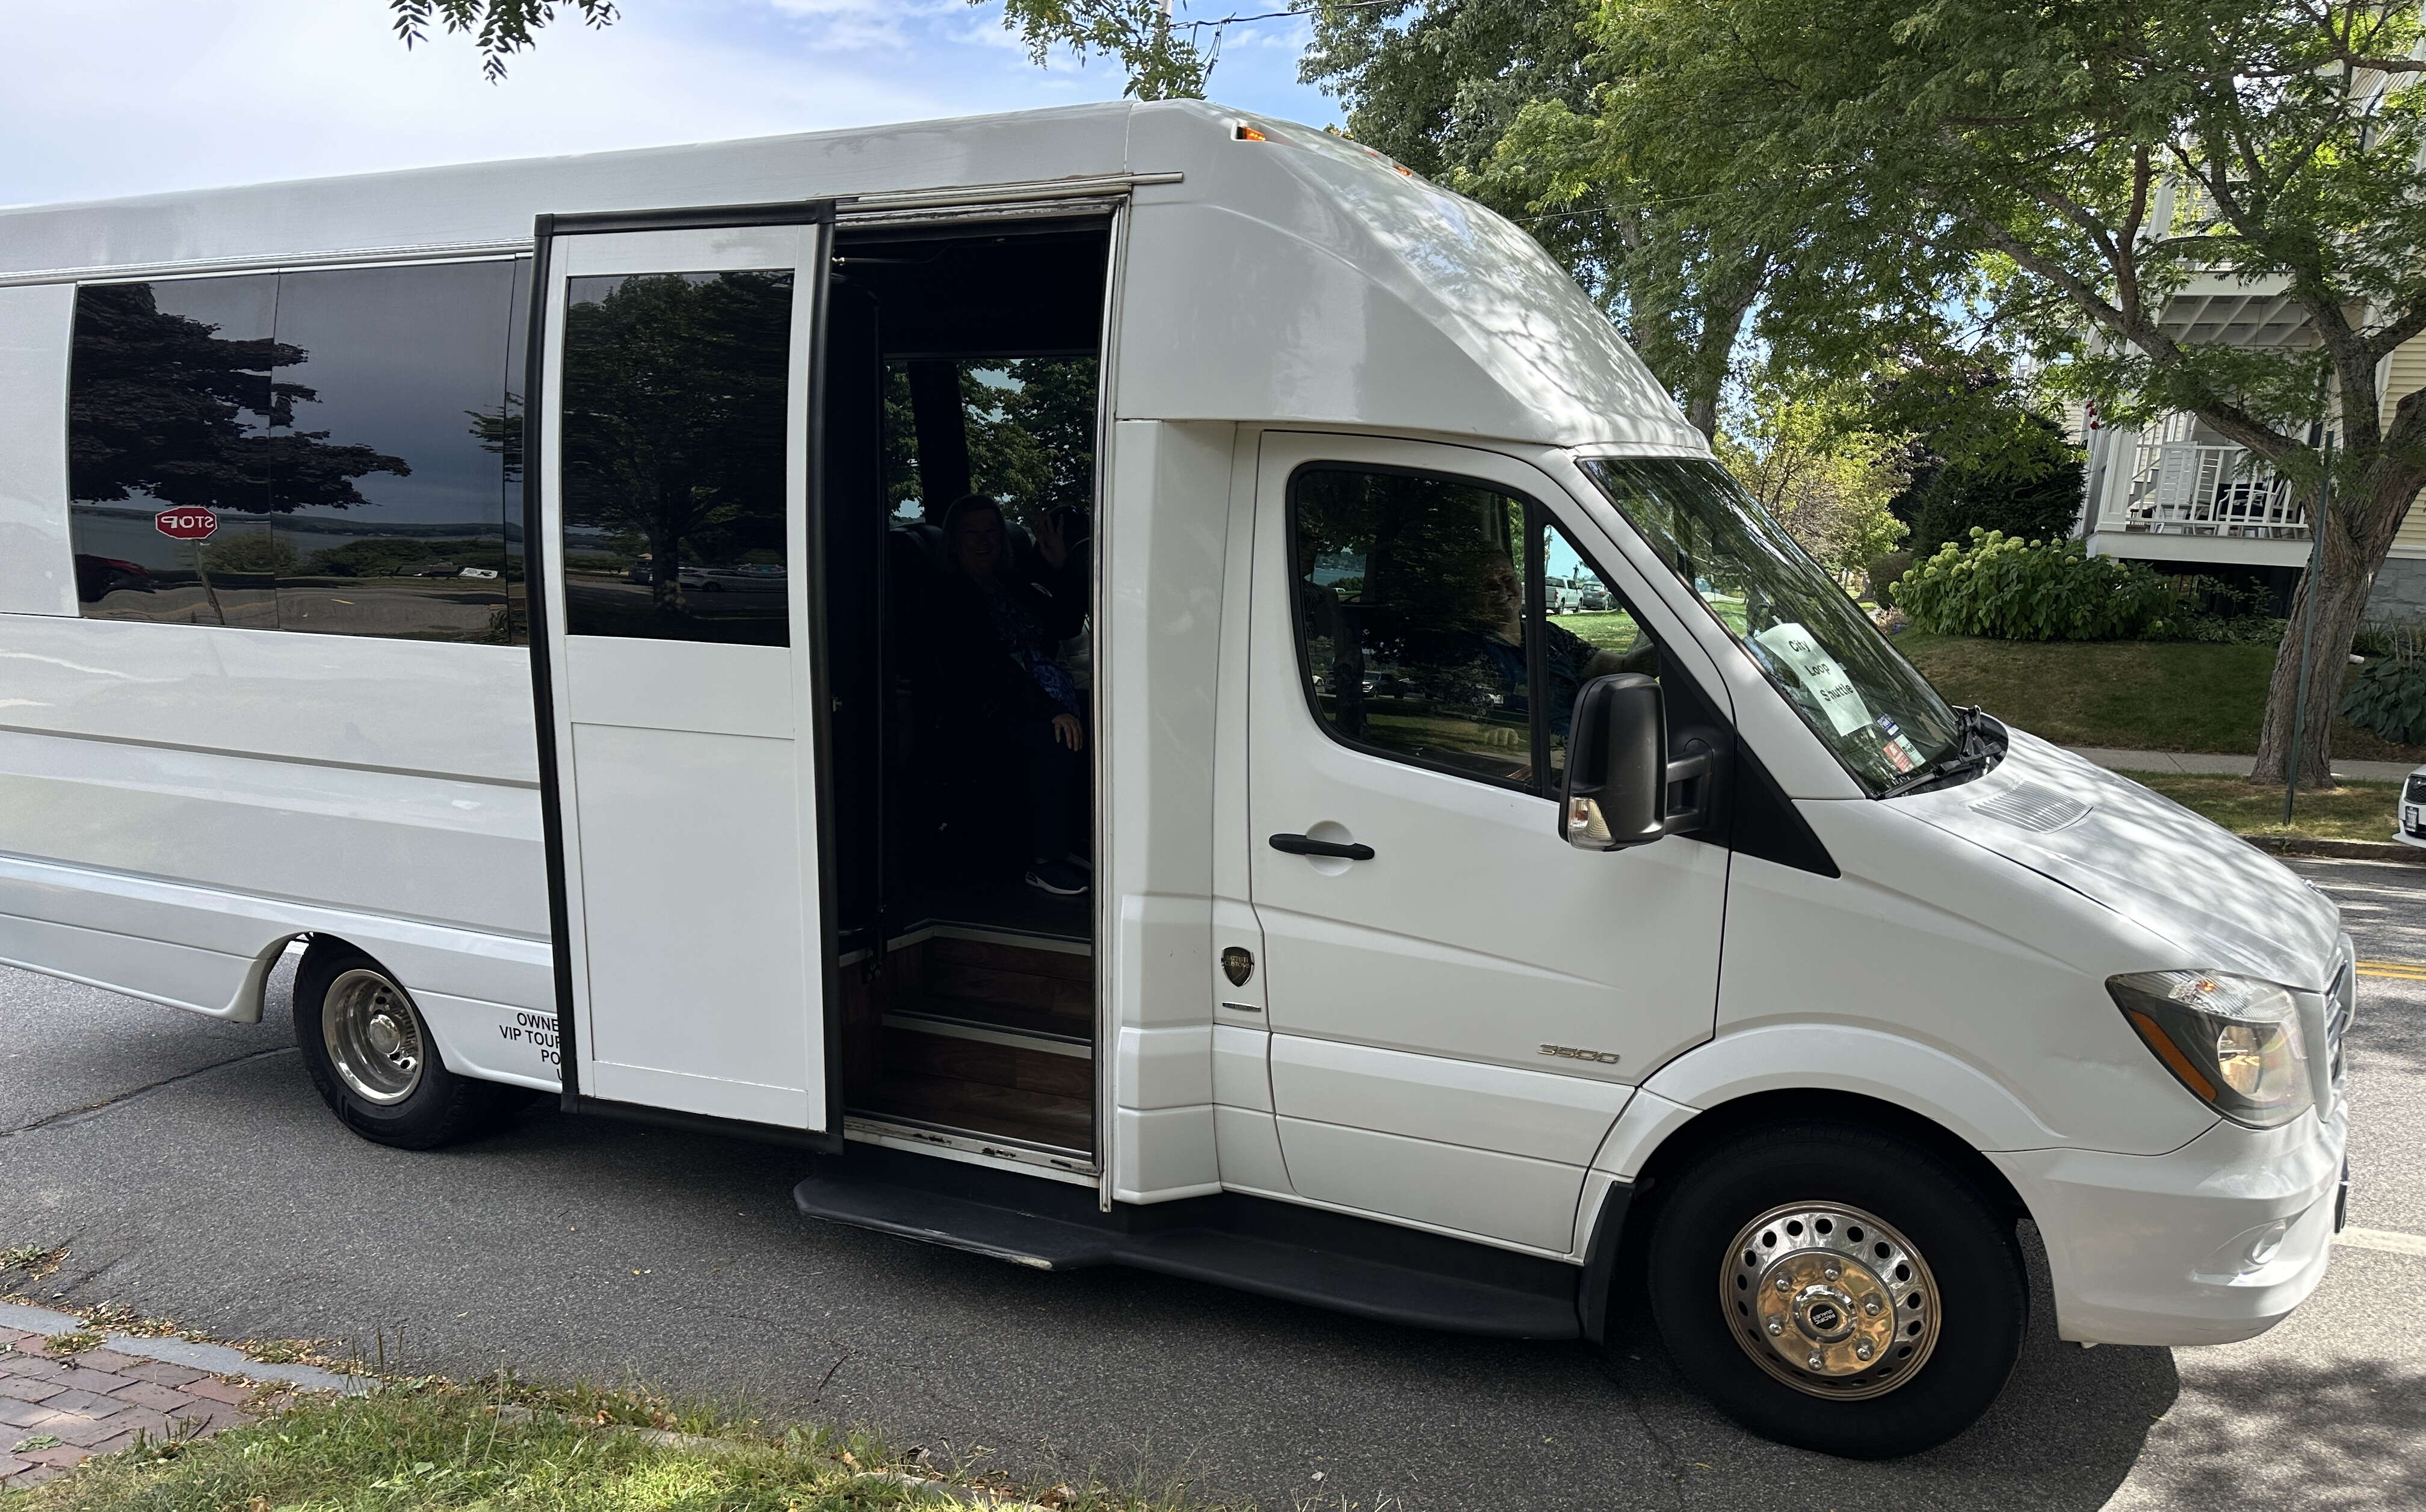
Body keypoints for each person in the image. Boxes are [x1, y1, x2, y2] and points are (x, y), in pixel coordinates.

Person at [930, 494, 1090, 896]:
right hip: (985, 702)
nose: (984, 542)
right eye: (972, 534)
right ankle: (1044, 861)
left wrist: (1058, 566)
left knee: (1101, 722)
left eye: (991, 532)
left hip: (1034, 688)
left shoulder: (1008, 580)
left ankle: (1073, 840)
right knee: (1056, 737)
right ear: (954, 540)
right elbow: (988, 666)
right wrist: (1050, 709)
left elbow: (1066, 624)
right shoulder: (949, 592)